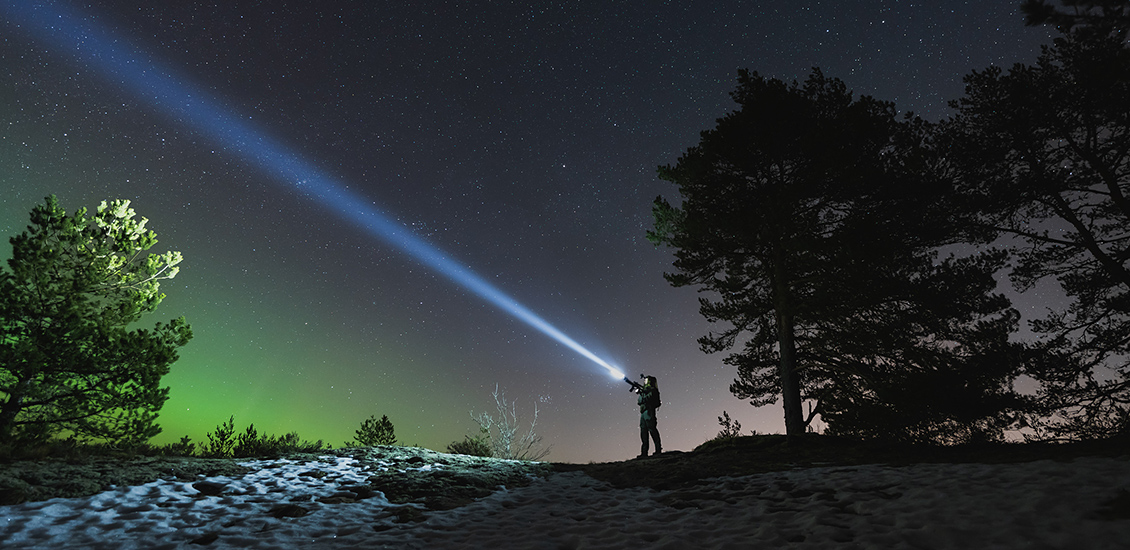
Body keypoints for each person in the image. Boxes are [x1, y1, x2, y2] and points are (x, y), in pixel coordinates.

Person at [636, 375, 662, 458]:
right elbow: (639, 401)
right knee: (643, 431)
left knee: (652, 429)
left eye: (647, 380)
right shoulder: (644, 391)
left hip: (649, 411)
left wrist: (644, 395)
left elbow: (649, 398)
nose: (645, 381)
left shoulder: (653, 390)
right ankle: (644, 452)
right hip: (643, 412)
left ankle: (658, 450)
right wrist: (642, 393)